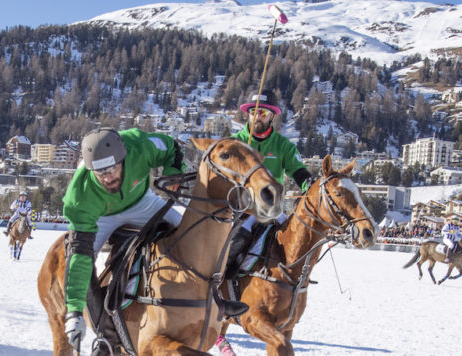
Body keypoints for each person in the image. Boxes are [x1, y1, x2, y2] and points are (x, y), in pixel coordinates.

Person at [61, 128, 249, 352]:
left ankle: (216, 297)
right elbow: (80, 255)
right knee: (80, 260)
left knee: (193, 237)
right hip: (101, 216)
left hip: (142, 203)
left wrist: (173, 173)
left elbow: (173, 149)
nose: (107, 177)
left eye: (112, 169)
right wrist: (73, 312)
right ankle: (106, 337)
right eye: (100, 173)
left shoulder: (140, 144)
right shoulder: (79, 195)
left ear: (124, 157)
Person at [223, 90, 314, 281]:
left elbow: (298, 172)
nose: (257, 117)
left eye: (263, 113)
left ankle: (295, 287)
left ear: (272, 115)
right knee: (235, 245)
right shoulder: (235, 143)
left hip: (271, 211)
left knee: (297, 243)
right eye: (253, 112)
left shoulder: (283, 146)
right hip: (242, 211)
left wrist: (309, 185)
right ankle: (221, 288)